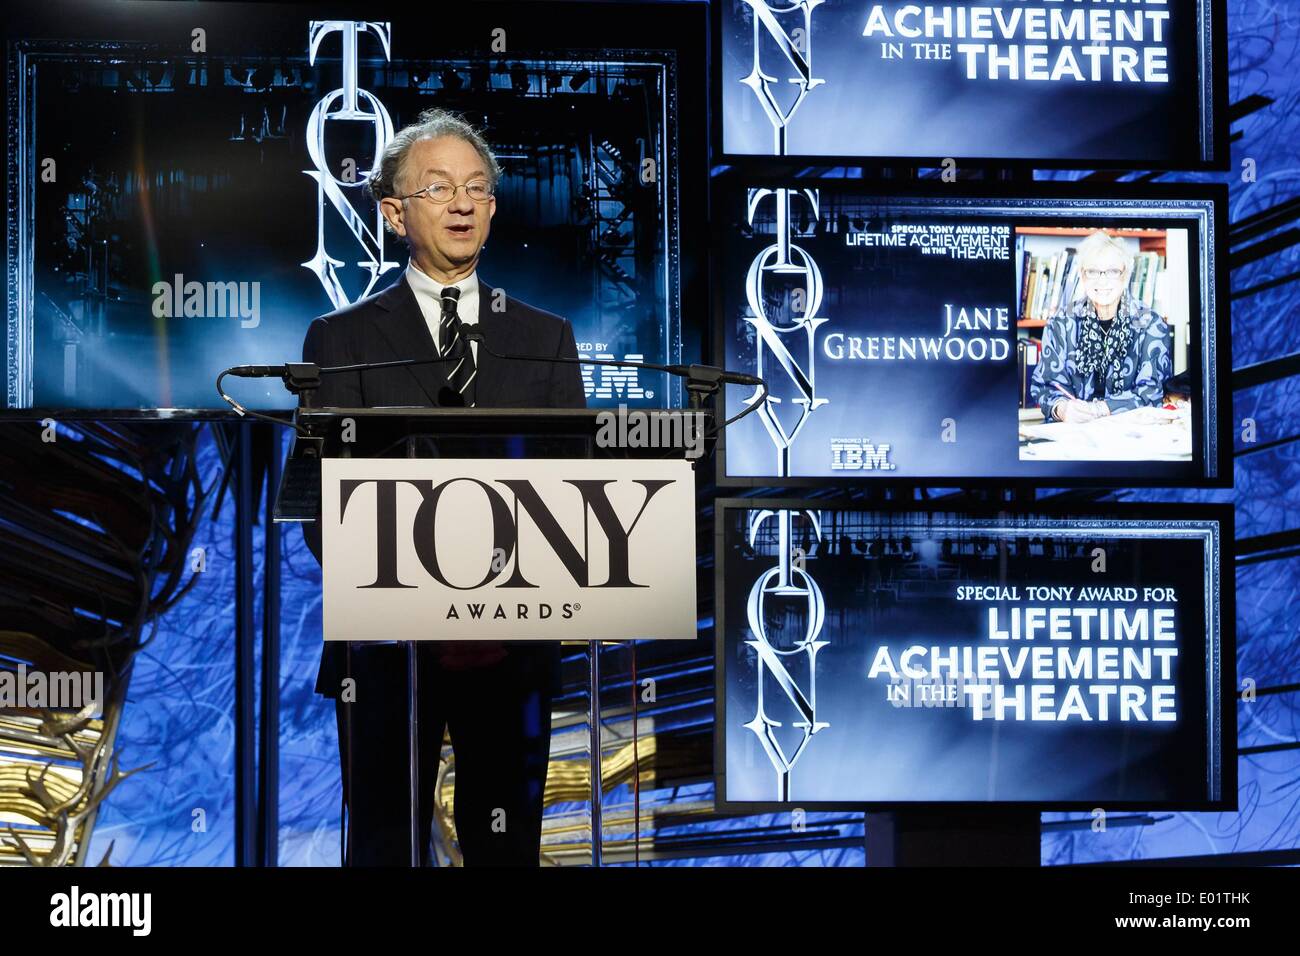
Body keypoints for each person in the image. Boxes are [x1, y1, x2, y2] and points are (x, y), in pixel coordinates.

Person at [299, 108, 586, 866]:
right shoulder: (341, 339)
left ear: (491, 207)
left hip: (513, 645)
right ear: (394, 212)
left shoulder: (546, 338)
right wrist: (430, 603)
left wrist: (492, 606)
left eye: (477, 188)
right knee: (384, 848)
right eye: (438, 188)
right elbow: (318, 503)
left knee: (505, 849)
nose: (462, 203)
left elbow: (577, 490)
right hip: (388, 654)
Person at [1030, 230, 1172, 424]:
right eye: (1093, 271)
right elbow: (1044, 387)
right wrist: (1062, 409)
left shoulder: (1151, 324)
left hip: (1132, 435)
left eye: (1113, 271)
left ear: (1125, 275)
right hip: (1072, 434)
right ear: (1082, 275)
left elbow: (1152, 393)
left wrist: (1099, 409)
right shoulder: (1060, 323)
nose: (1102, 280)